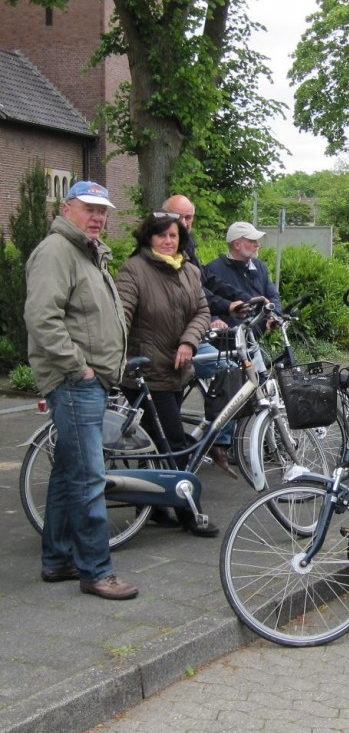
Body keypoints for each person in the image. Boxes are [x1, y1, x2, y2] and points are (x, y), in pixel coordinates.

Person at [24, 181, 138, 600]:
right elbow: (42, 318)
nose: (98, 217)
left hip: (87, 382)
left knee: (67, 474)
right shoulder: (57, 252)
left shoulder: (87, 253)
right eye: (89, 208)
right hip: (74, 384)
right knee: (90, 478)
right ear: (67, 208)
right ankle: (96, 570)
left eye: (103, 211)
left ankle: (57, 560)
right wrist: (80, 369)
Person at [116, 211, 217, 535]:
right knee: (174, 441)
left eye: (173, 235)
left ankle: (156, 507)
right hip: (146, 372)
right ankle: (191, 514)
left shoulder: (188, 270)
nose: (168, 240)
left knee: (158, 444)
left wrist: (189, 341)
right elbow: (121, 315)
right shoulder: (135, 270)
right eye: (161, 235)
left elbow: (202, 310)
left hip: (176, 371)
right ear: (149, 238)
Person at [163, 195, 251, 477]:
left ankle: (216, 437)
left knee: (230, 364)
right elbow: (198, 295)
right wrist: (226, 307)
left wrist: (244, 299)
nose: (185, 223)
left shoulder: (186, 247)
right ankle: (215, 439)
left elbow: (206, 283)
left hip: (189, 337)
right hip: (169, 344)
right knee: (225, 365)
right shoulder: (159, 255)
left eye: (190, 218)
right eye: (180, 217)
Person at [204, 221, 281, 330]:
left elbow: (273, 296)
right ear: (237, 245)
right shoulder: (214, 268)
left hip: (255, 340)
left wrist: (274, 315)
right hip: (226, 340)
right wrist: (215, 320)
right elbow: (204, 300)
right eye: (252, 240)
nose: (258, 244)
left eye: (257, 240)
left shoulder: (260, 267)